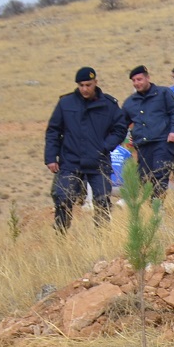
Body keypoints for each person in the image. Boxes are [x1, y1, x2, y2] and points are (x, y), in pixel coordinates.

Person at [45, 66, 129, 229]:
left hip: (98, 162)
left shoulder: (108, 104)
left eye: (88, 85)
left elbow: (120, 128)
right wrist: (50, 157)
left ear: (95, 83)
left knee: (102, 200)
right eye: (81, 85)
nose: (84, 89)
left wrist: (105, 146)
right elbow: (53, 130)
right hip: (70, 161)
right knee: (63, 198)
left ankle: (102, 238)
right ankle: (60, 236)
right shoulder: (66, 103)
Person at [121, 66, 174, 193]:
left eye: (139, 79)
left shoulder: (163, 93)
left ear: (147, 78)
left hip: (162, 142)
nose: (137, 83)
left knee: (160, 174)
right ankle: (147, 207)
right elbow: (121, 125)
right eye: (134, 80)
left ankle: (157, 205)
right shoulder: (130, 102)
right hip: (143, 146)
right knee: (144, 177)